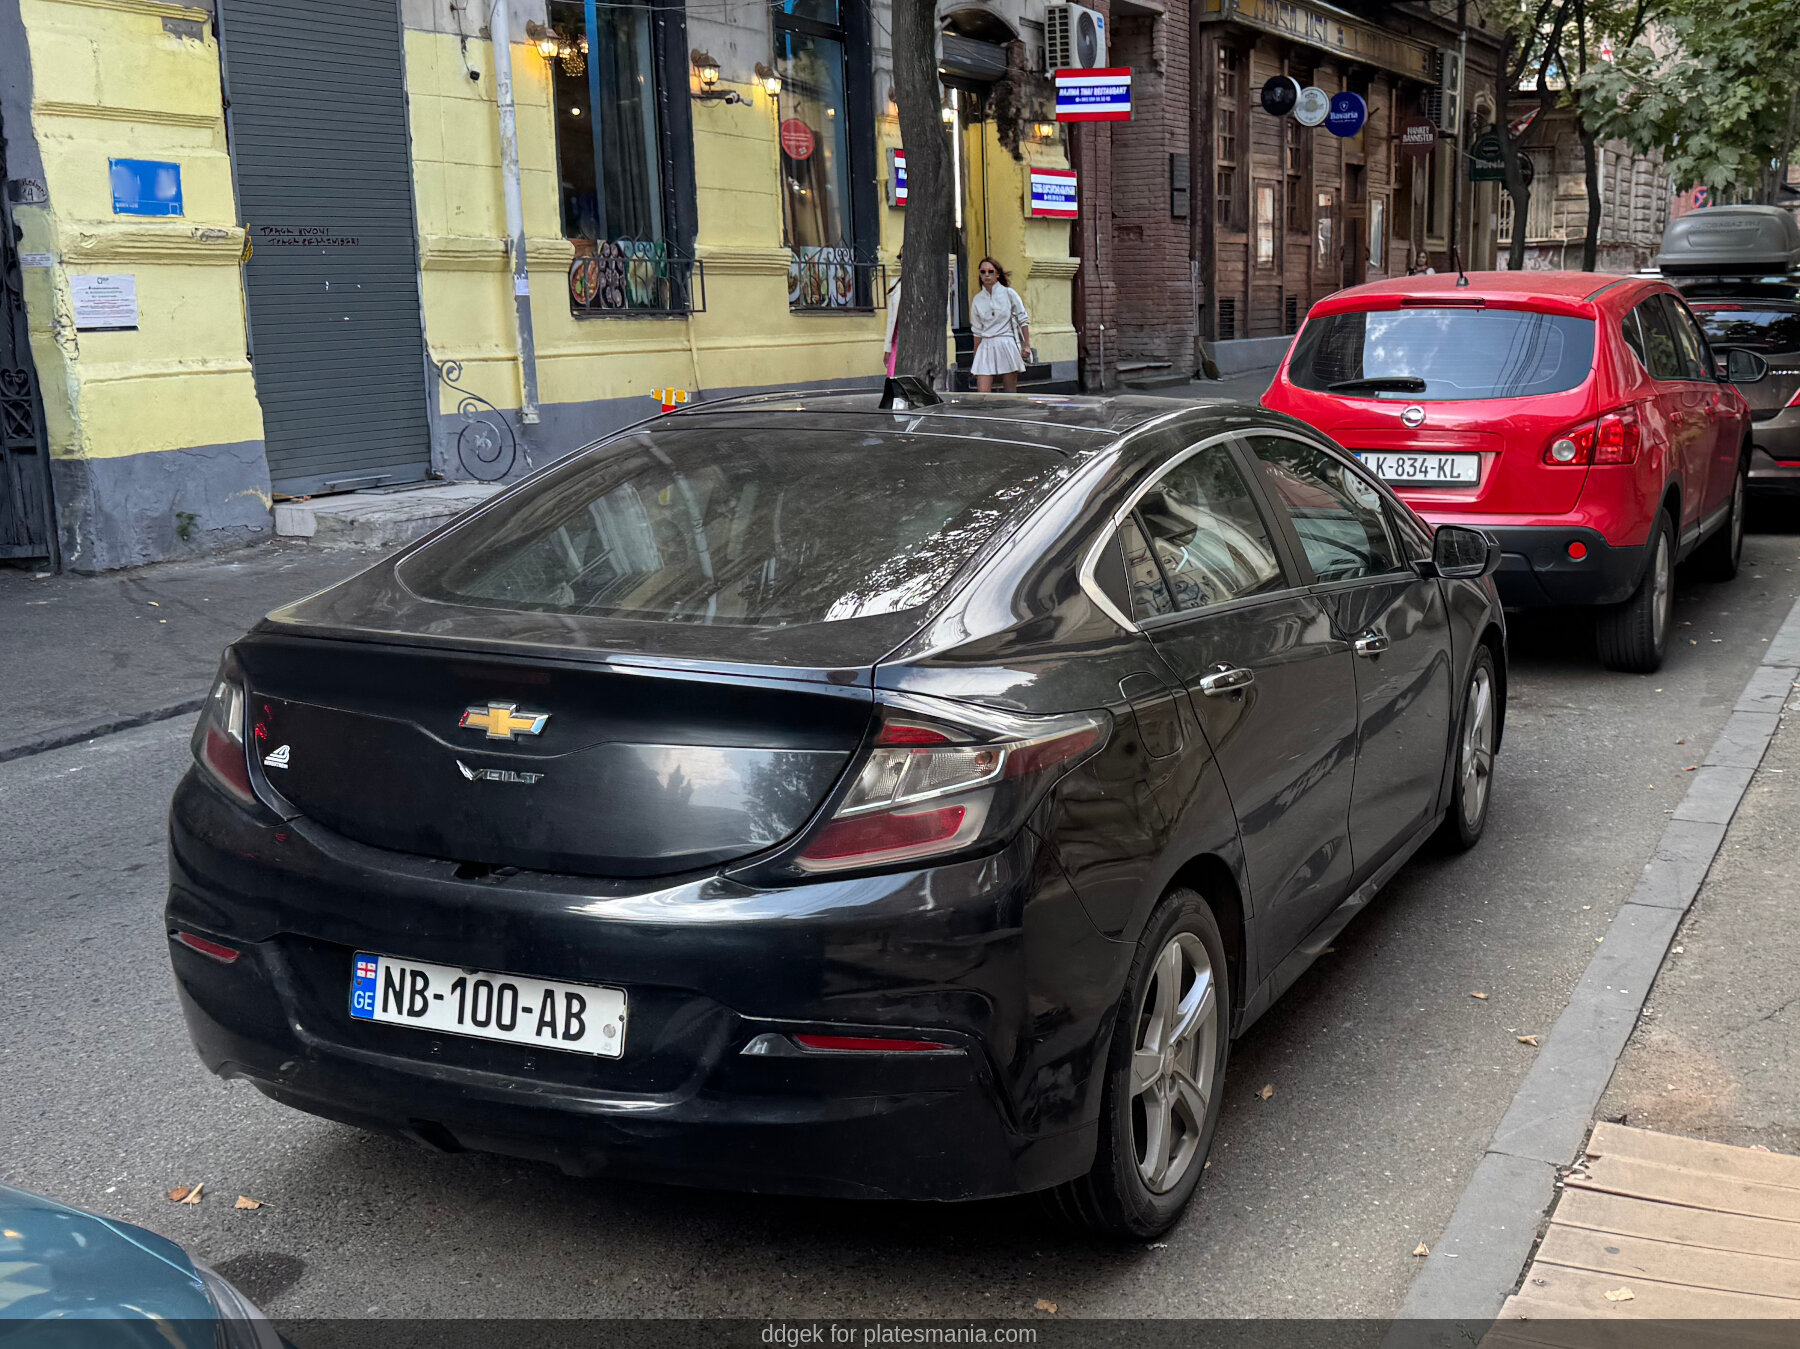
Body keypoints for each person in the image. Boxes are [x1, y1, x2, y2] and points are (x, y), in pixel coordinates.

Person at [970, 257, 1031, 393]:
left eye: (990, 271)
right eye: (983, 272)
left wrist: (1027, 345)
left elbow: (1023, 319)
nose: (987, 275)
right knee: (983, 393)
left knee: (1010, 392)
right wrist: (976, 355)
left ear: (997, 274)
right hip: (986, 344)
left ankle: (1010, 414)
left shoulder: (1009, 293)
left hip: (1006, 342)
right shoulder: (977, 300)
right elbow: (977, 331)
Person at [883, 248, 903, 377]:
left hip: (918, 340)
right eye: (901, 257)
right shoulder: (895, 285)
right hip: (898, 339)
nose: (903, 260)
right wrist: (887, 348)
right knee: (893, 377)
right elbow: (891, 319)